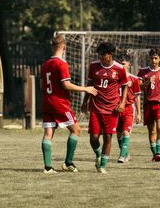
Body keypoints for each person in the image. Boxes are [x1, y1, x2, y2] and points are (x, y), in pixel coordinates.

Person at [40, 35, 98, 173]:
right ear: (64, 47)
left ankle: (48, 167)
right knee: (76, 130)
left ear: (52, 46)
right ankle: (68, 162)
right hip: (59, 104)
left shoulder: (45, 64)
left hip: (47, 102)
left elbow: (42, 85)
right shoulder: (62, 64)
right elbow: (66, 85)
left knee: (48, 134)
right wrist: (85, 88)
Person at [81, 42, 128, 174]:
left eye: (103, 54)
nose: (100, 57)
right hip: (95, 107)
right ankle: (98, 155)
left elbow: (125, 85)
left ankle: (102, 165)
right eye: (99, 54)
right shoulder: (94, 66)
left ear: (110, 54)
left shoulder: (119, 68)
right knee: (94, 138)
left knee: (108, 137)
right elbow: (90, 83)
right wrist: (85, 101)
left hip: (112, 109)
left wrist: (123, 103)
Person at [137, 48, 160, 162]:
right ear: (149, 58)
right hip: (148, 104)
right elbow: (138, 87)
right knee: (151, 130)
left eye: (156, 58)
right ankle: (154, 154)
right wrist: (146, 83)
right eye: (152, 58)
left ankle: (159, 152)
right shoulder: (143, 71)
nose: (153, 60)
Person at [116, 53, 141, 163]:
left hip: (129, 108)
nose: (121, 66)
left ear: (129, 65)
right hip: (116, 109)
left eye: (123, 64)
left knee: (126, 132)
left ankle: (122, 156)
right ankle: (126, 153)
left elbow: (137, 97)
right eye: (120, 64)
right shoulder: (115, 78)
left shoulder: (134, 79)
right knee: (118, 134)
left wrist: (139, 113)